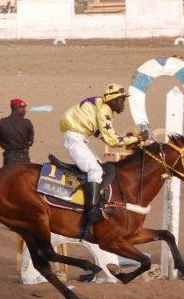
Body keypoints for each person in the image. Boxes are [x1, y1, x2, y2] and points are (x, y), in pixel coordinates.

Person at [60, 83, 145, 224]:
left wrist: (128, 141)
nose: (123, 104)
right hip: (75, 138)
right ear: (115, 100)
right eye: (122, 101)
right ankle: (91, 211)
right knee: (95, 170)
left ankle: (96, 202)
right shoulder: (104, 110)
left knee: (100, 166)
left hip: (79, 137)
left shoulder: (102, 107)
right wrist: (138, 138)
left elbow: (102, 135)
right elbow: (111, 140)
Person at [0, 98, 34, 166]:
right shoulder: (27, 122)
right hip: (23, 157)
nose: (24, 111)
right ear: (16, 108)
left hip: (8, 157)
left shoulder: (1, 123)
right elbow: (30, 142)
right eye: (23, 108)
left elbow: (0, 142)